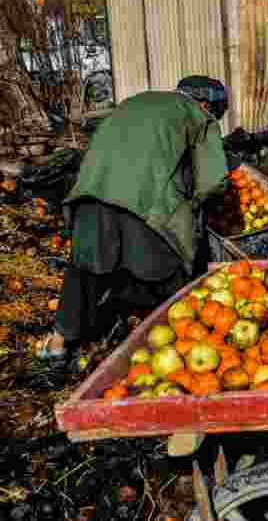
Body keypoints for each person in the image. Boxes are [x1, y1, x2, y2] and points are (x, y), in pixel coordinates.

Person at [35, 77, 230, 361]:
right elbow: (213, 181)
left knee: (85, 269)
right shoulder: (197, 115)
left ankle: (58, 342)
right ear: (205, 104)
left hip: (90, 195)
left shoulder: (134, 102)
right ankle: (170, 346)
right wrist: (197, 207)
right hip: (144, 208)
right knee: (172, 275)